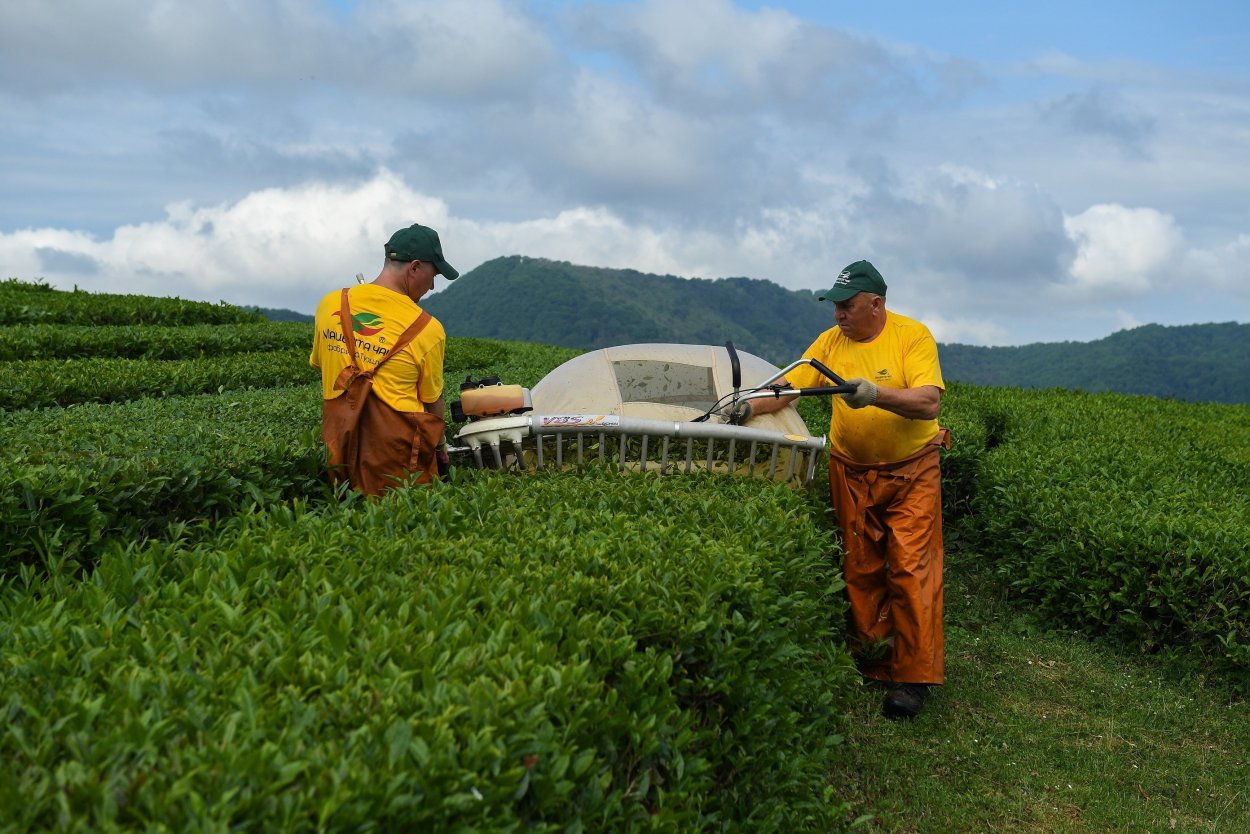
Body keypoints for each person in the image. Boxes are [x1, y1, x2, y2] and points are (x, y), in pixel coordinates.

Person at [743, 260, 948, 719]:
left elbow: (928, 400)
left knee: (910, 567)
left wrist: (876, 394)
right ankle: (875, 662)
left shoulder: (911, 336)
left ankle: (912, 679)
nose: (839, 315)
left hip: (912, 469)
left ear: (876, 304)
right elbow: (789, 385)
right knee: (861, 564)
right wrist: (743, 408)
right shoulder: (830, 343)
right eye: (836, 306)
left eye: (848, 306)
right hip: (851, 469)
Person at [310, 222, 458, 496]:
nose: (433, 286)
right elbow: (431, 403)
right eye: (433, 274)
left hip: (338, 456)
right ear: (414, 267)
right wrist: (440, 450)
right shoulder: (427, 328)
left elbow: (325, 367)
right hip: (398, 467)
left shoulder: (330, 305)